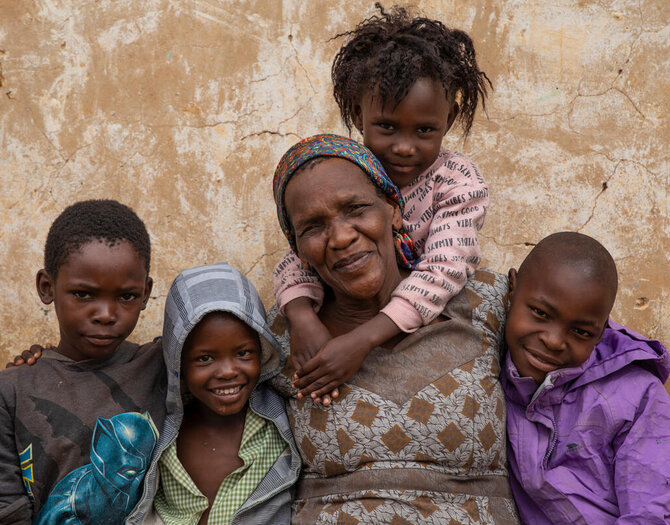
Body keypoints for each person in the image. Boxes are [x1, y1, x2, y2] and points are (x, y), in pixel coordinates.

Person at [270, 135, 519, 523]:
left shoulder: (486, 302)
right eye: (313, 228)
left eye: (356, 209)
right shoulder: (282, 336)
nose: (340, 237)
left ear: (393, 210)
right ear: (297, 248)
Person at [274, 4, 492, 403]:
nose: (404, 148)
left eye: (425, 130)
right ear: (359, 114)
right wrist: (302, 317)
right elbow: (295, 255)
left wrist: (361, 340)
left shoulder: (456, 180)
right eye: (387, 127)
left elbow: (444, 268)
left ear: (451, 117)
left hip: (417, 318)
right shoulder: (350, 171)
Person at [501, 232, 670, 524]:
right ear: (511, 289)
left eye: (581, 332)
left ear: (602, 331)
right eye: (540, 313)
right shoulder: (483, 368)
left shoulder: (636, 396)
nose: (554, 341)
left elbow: (651, 511)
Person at [0, 200, 167, 524]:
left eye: (127, 296)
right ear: (47, 288)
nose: (106, 315)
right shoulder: (12, 391)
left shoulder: (162, 368)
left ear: (146, 293)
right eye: (83, 294)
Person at [128, 263, 301, 525]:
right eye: (205, 358)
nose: (228, 371)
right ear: (178, 365)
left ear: (262, 350)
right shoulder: (161, 425)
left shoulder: (278, 422)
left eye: (243, 353)